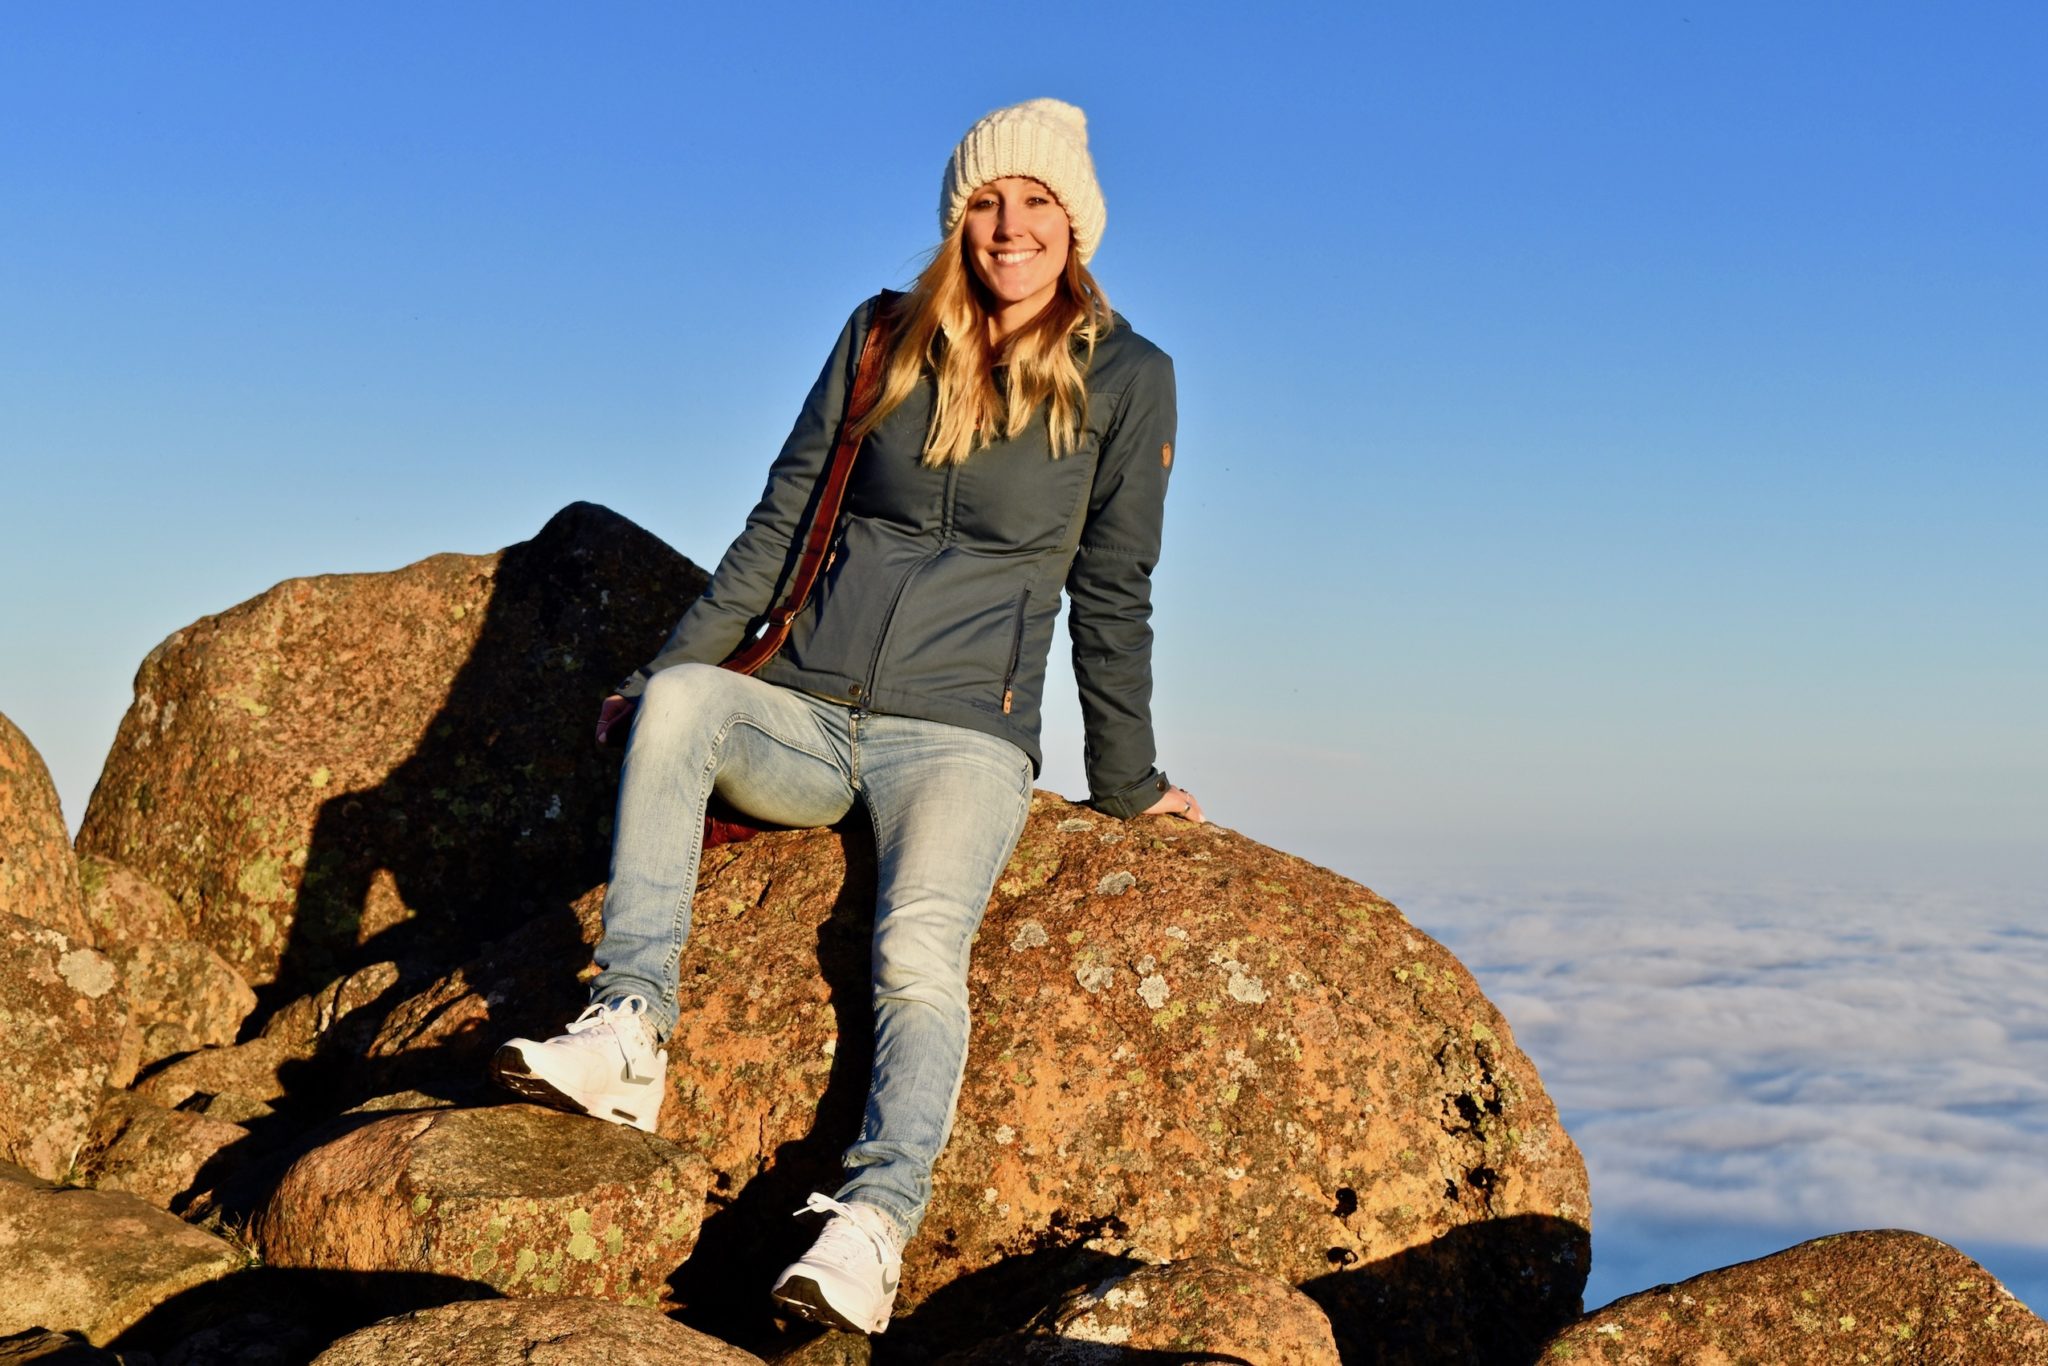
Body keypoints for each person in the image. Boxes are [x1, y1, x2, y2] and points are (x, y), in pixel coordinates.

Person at [491, 97, 1203, 1336]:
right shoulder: (883, 335)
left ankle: (870, 1221)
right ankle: (629, 1029)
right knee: (677, 710)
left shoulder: (1130, 377)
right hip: (809, 715)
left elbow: (1112, 591)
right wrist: (668, 669)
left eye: (1036, 202)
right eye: (987, 200)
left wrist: (1128, 785)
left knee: (913, 953)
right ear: (957, 216)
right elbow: (777, 524)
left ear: (1075, 225)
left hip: (961, 740)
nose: (1009, 225)